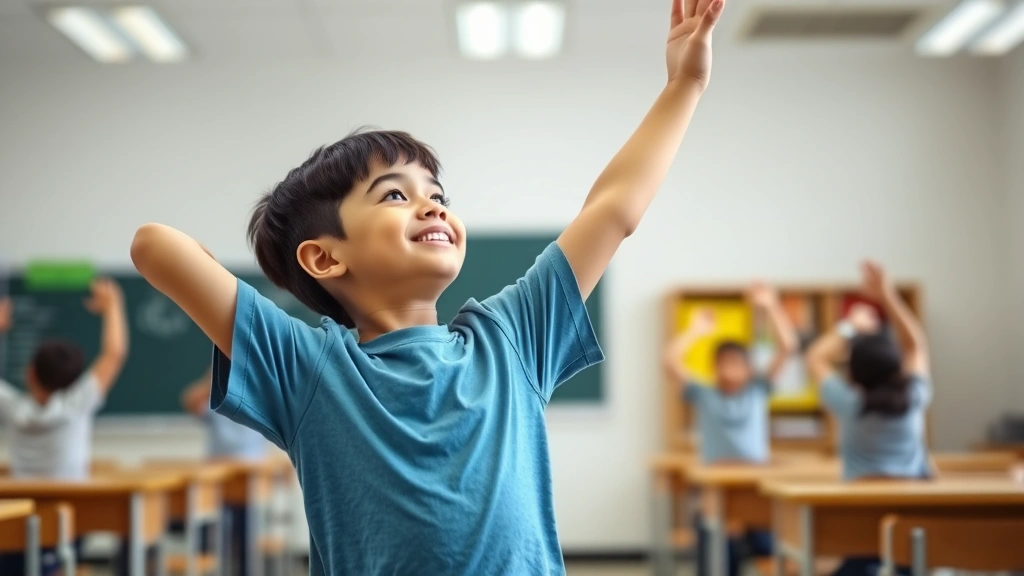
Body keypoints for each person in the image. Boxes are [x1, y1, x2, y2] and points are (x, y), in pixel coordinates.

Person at [129, 0, 726, 572]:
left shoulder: (511, 339)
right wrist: (226, 288)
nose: (432, 208)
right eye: (395, 195)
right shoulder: (310, 367)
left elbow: (614, 209)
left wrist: (683, 88)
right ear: (324, 257)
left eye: (438, 196)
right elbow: (154, 246)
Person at [806, 261, 931, 576]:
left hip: (859, 512)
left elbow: (816, 357)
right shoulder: (913, 398)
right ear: (895, 367)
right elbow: (915, 345)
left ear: (854, 375)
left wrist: (850, 324)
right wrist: (887, 294)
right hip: (912, 508)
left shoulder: (850, 404)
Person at [664, 281, 797, 576]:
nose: (731, 369)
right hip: (717, 486)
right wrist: (696, 331)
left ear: (750, 368)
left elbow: (788, 347)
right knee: (716, 549)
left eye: (738, 363)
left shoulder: (758, 389)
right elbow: (670, 361)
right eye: (724, 363)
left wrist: (771, 305)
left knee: (772, 546)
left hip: (757, 486)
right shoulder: (704, 392)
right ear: (714, 367)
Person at [0, 280, 128, 575]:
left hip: (15, 528)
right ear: (74, 380)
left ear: (30, 373)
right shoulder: (77, 404)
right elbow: (114, 353)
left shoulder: (11, 407)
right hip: (68, 527)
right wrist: (114, 306)